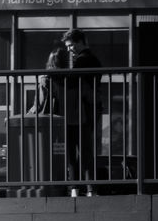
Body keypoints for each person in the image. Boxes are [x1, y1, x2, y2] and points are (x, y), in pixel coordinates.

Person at [60, 29, 102, 196]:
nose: (69, 50)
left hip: (80, 110)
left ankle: (75, 187)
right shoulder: (94, 60)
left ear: (79, 42)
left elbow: (72, 85)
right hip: (90, 108)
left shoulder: (81, 61)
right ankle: (89, 188)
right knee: (85, 149)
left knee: (74, 150)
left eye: (71, 46)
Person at [28, 40, 68, 115]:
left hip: (48, 117)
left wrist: (29, 114)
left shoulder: (46, 79)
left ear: (50, 61)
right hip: (66, 116)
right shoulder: (70, 78)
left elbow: (40, 103)